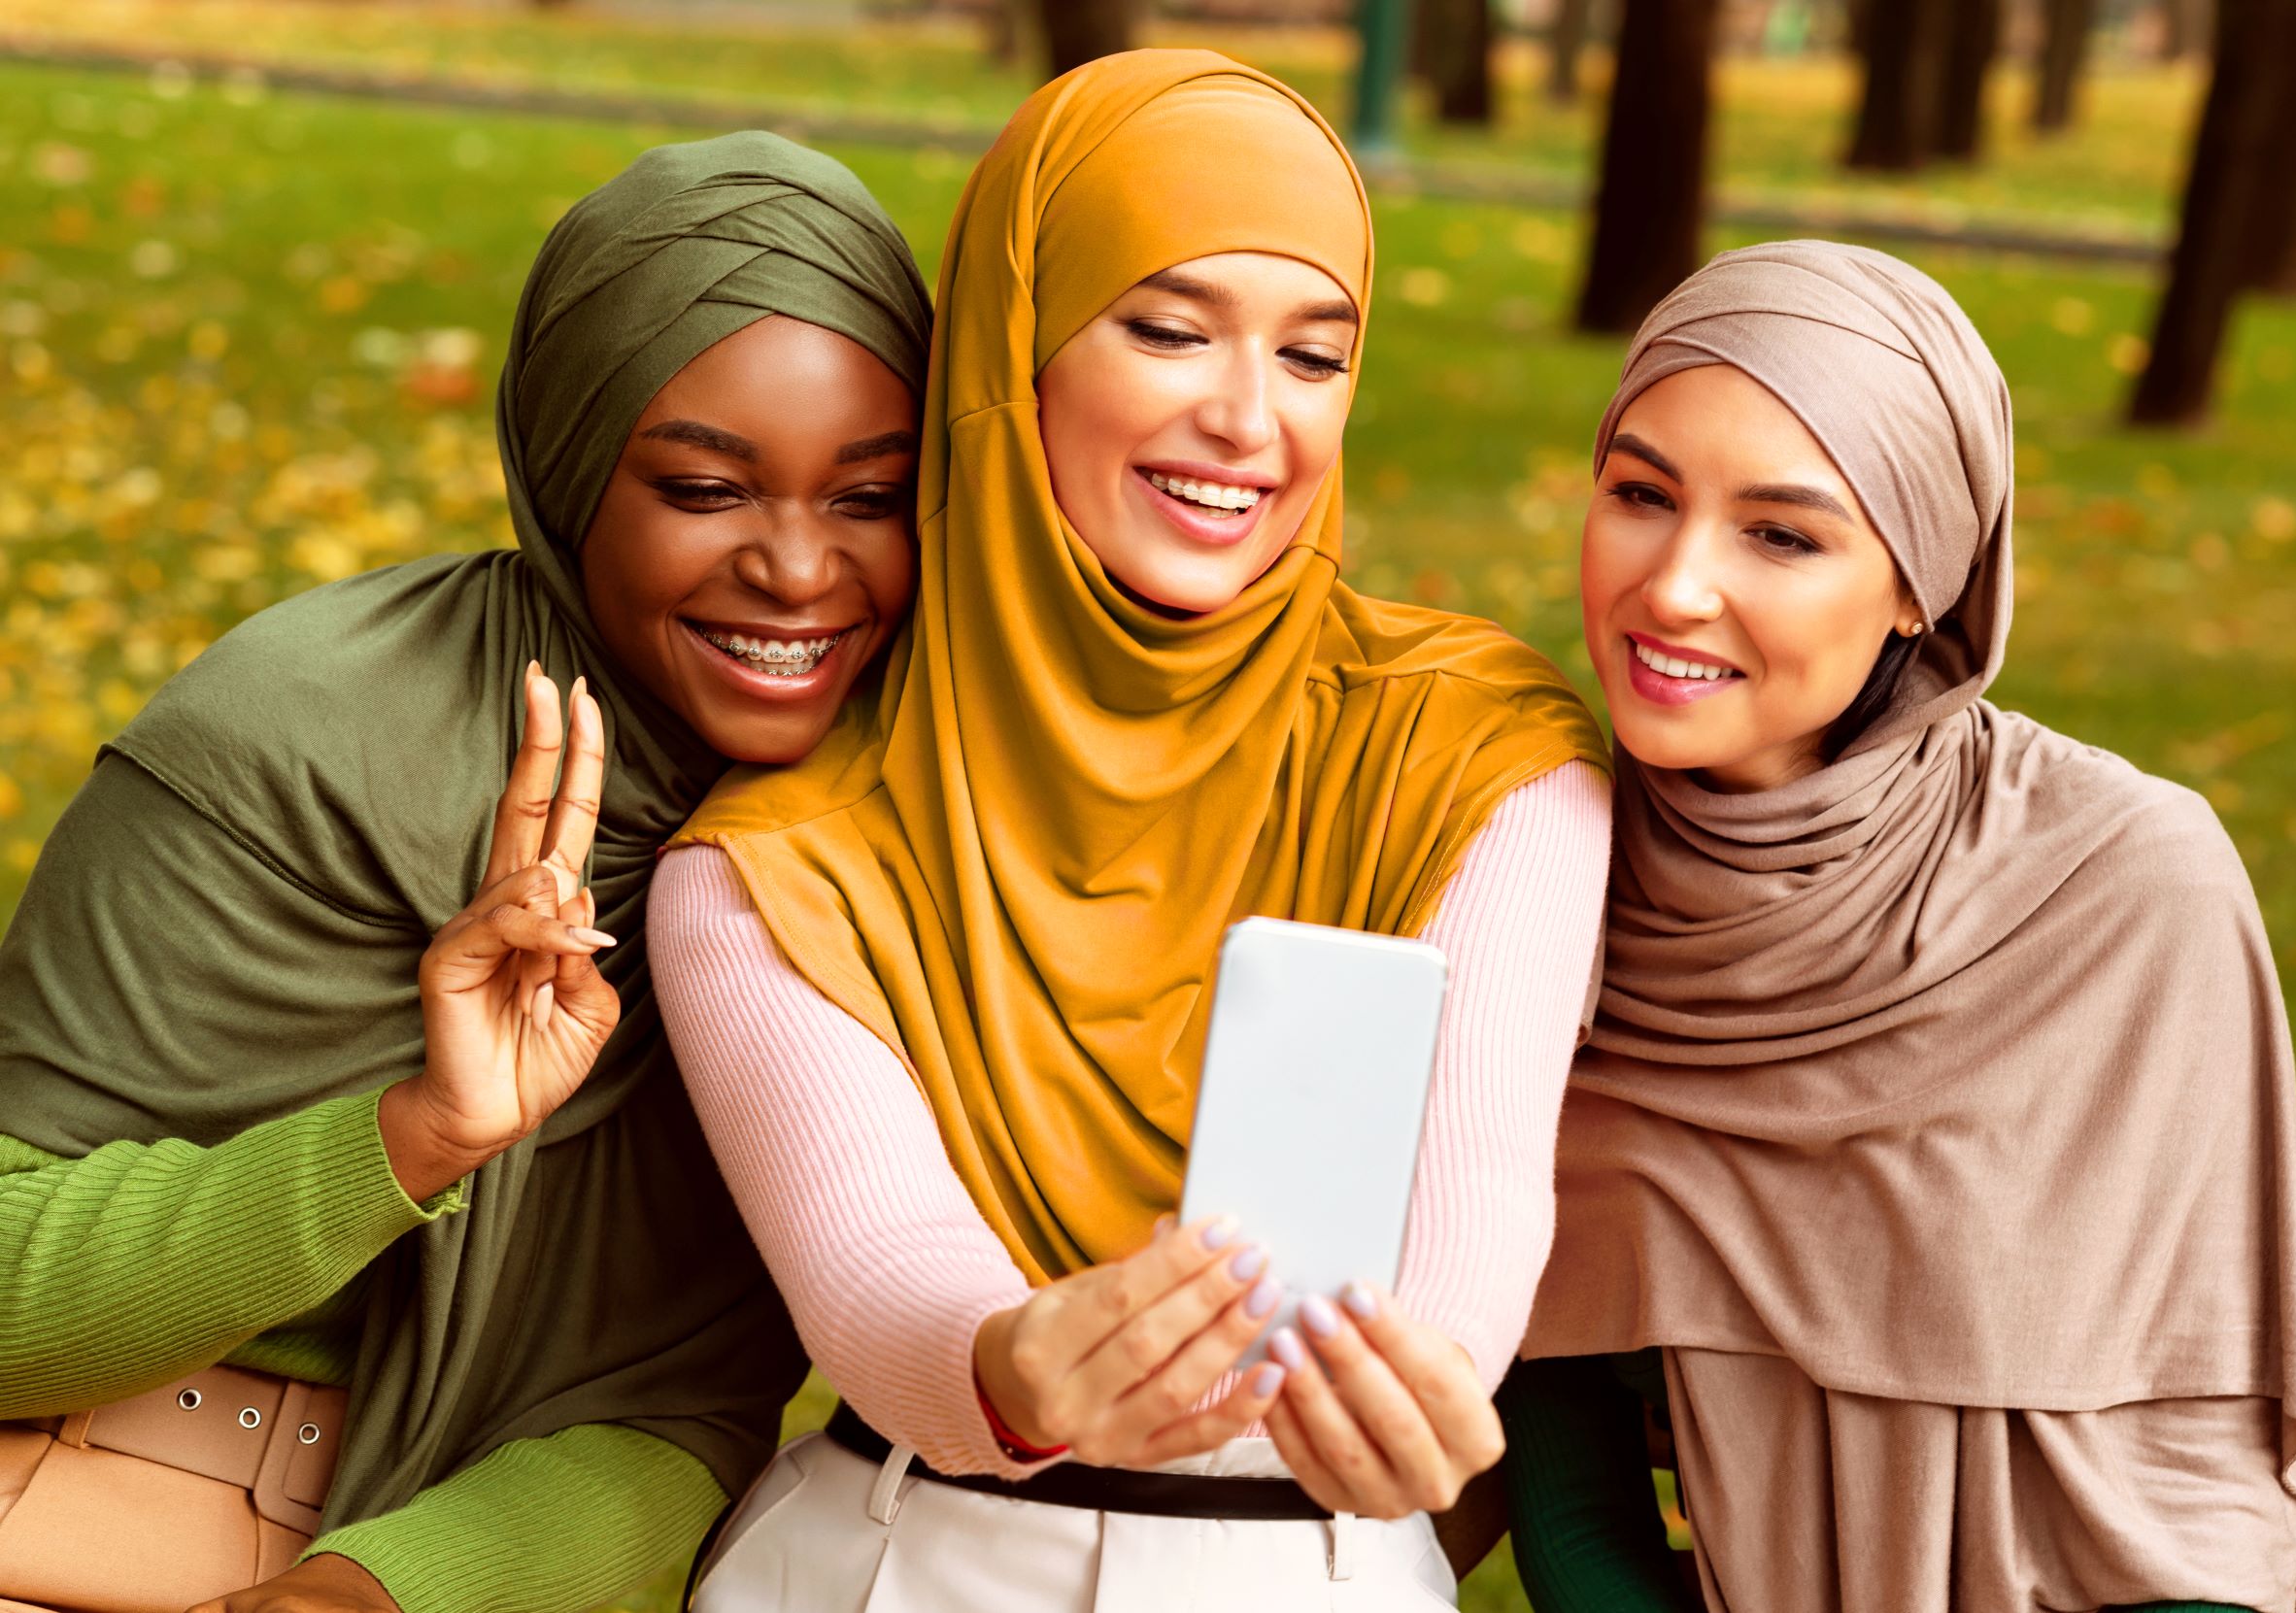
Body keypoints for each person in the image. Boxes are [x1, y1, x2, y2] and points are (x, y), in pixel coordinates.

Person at [650, 50, 1613, 1610]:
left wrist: (1414, 1376)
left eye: (1315, 355)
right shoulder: (773, 861)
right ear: (1017, 349)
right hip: (902, 1558)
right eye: (1169, 331)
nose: (1248, 420)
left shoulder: (1482, 755)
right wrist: (1018, 1361)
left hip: (1313, 1567)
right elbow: (879, 1279)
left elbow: (1468, 1209)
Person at [0, 132, 931, 1613]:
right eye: (706, 489)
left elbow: (684, 1408)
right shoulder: (304, 739)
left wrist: (357, 1599)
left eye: (868, 496)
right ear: (569, 474)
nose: (800, 569)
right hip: (62, 1504)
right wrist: (410, 1136)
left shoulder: (869, 844)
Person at [1501, 240, 2296, 1613]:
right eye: (1639, 494)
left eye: (1781, 533)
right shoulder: (1541, 883)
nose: (1672, 586)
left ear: (1923, 581)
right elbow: (1571, 1504)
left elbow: (2198, 1489)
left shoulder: (2126, 889)